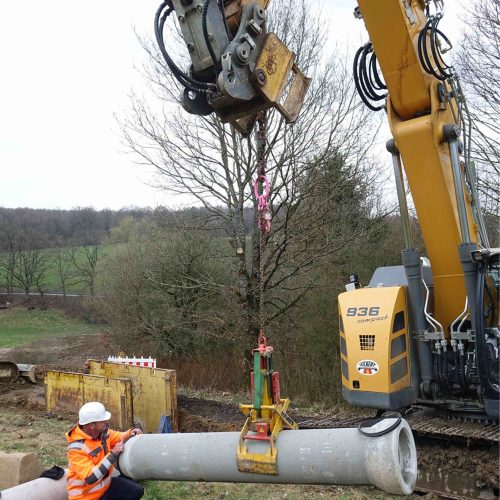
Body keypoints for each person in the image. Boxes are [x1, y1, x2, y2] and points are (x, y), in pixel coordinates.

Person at [66, 401, 144, 500]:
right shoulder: (76, 449)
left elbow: (119, 436)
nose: (106, 422)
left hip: (104, 488)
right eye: (102, 420)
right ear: (91, 425)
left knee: (137, 490)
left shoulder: (102, 433)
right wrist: (113, 454)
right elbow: (91, 478)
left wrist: (131, 432)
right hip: (87, 497)